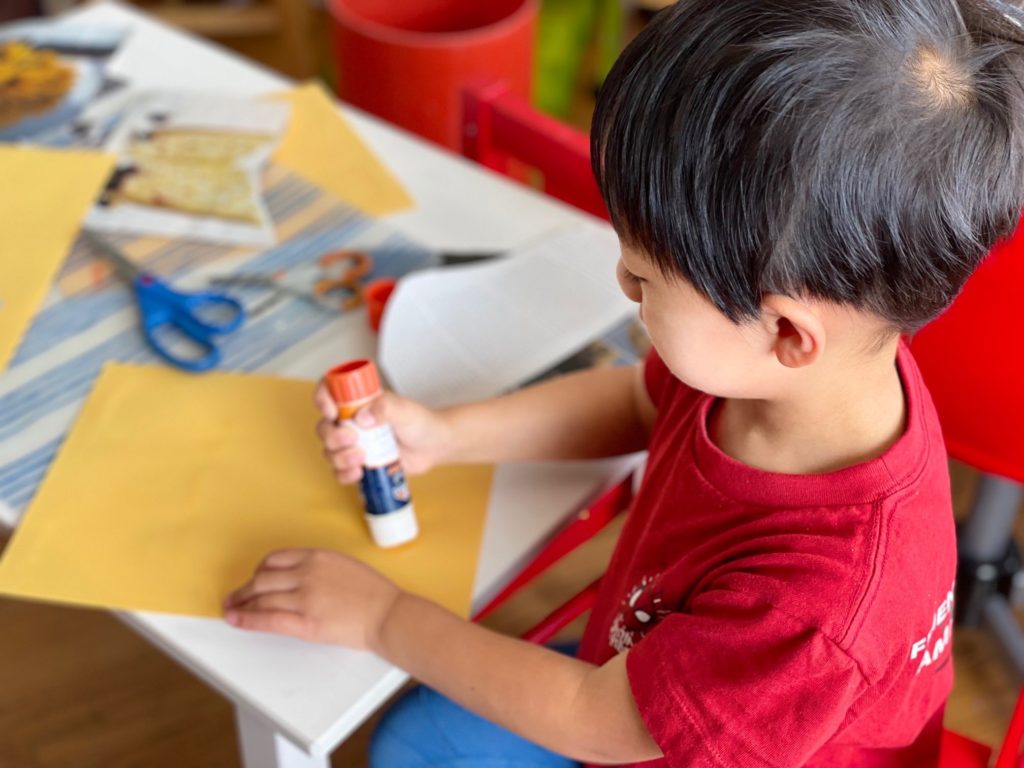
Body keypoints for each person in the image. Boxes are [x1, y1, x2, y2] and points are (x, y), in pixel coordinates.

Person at [223, 1, 1024, 765]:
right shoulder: (803, 368)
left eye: (644, 278)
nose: (622, 282)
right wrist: (448, 434)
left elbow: (596, 721)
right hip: (650, 686)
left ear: (785, 331)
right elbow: (637, 404)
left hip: (647, 725)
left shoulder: (818, 607)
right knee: (420, 739)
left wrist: (385, 617)